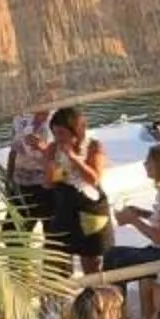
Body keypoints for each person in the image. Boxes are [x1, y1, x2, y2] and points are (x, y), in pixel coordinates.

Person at [44, 107, 113, 272]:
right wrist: (52, 170)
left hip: (89, 206)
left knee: (90, 258)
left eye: (62, 133)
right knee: (56, 253)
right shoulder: (53, 148)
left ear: (75, 131)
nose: (58, 138)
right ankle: (60, 293)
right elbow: (48, 184)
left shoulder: (93, 146)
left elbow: (94, 178)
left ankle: (94, 293)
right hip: (64, 204)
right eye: (55, 133)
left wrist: (74, 158)